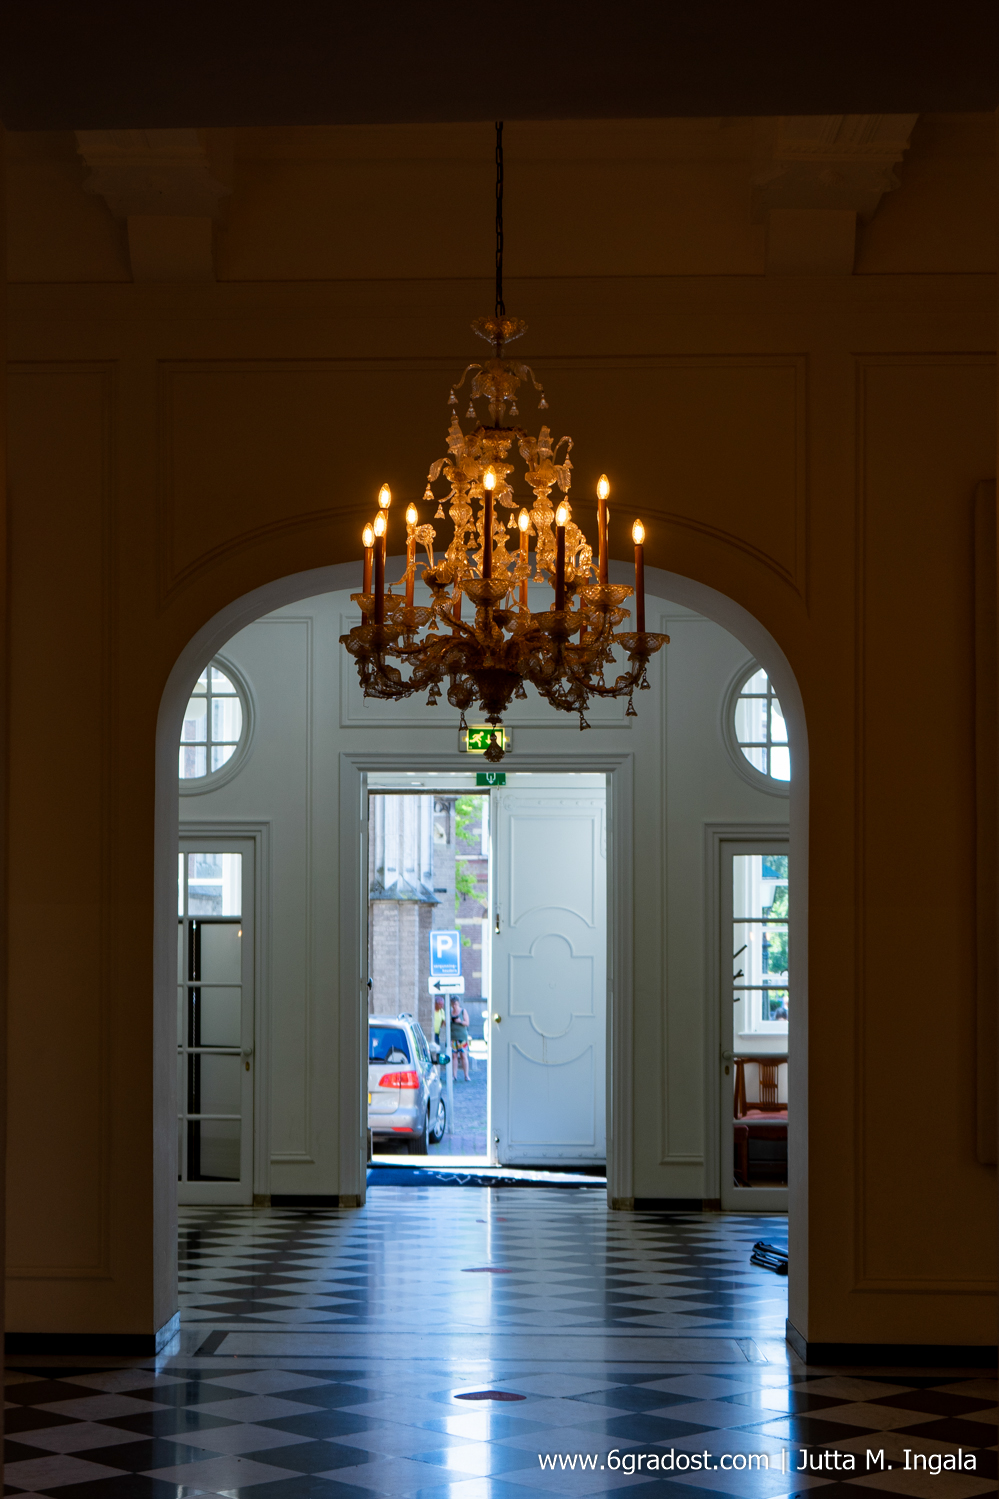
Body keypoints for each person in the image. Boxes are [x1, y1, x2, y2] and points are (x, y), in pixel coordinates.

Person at [450, 996, 470, 1081]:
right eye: (452, 1004)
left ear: (458, 1003)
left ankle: (466, 1075)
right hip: (453, 1037)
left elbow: (467, 1023)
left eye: (455, 1004)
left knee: (463, 1055)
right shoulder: (450, 1012)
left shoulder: (463, 1011)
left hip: (462, 1037)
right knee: (454, 1056)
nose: (454, 1006)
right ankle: (454, 1075)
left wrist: (460, 1021)